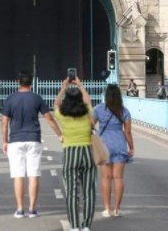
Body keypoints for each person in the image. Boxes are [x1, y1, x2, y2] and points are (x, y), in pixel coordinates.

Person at [1, 70, 62, 219]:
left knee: (18, 175)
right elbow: (49, 119)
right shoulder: (37, 98)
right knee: (34, 174)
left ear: (18, 82)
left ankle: (20, 209)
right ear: (31, 83)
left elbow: (4, 122)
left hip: (15, 140)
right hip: (34, 139)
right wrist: (60, 134)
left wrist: (4, 141)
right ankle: (32, 209)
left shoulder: (10, 99)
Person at [54, 77, 95, 231]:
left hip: (70, 153)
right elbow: (88, 102)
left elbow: (56, 104)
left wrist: (63, 87)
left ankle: (74, 226)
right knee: (88, 192)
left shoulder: (62, 115)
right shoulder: (87, 112)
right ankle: (86, 226)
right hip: (87, 152)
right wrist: (80, 85)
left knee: (72, 192)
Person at [93, 84, 134, 218]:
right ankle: (117, 209)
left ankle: (106, 209)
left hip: (104, 144)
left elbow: (90, 126)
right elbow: (127, 131)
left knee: (106, 178)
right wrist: (131, 147)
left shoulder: (99, 109)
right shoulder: (124, 111)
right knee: (118, 178)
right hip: (119, 144)